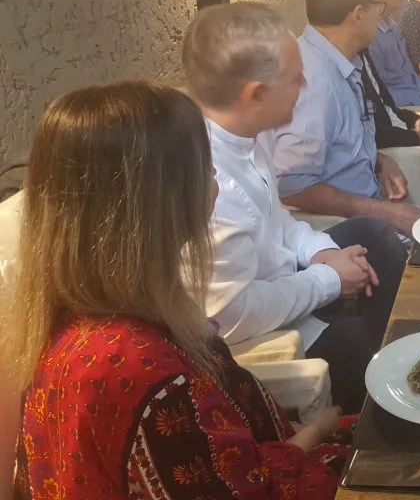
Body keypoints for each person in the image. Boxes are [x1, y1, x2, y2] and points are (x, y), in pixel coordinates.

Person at [7, 81, 346, 498]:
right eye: (205, 166)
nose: (216, 181)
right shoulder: (137, 371)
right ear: (163, 199)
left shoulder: (86, 315)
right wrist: (316, 431)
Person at [183, 1, 407, 412]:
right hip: (259, 329)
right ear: (256, 94)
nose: (305, 85)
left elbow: (280, 222)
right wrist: (329, 280)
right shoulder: (211, 186)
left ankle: (397, 345)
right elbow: (232, 316)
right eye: (294, 77)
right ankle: (384, 387)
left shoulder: (245, 137)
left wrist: (322, 252)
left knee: (372, 233)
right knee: (356, 345)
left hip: (285, 277)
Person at [261, 0, 420, 237]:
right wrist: (382, 212)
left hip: (372, 210)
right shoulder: (315, 82)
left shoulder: (340, 61)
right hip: (346, 235)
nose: (381, 14)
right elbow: (293, 185)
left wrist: (378, 160)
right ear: (359, 14)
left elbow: (338, 144)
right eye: (378, 5)